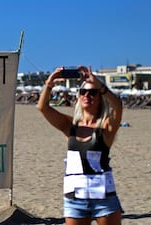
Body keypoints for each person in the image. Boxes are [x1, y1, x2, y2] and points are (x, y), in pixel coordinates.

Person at [37, 66, 123, 225]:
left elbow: (117, 107)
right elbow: (43, 108)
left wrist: (100, 86)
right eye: (83, 92)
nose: (87, 95)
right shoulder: (70, 126)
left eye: (92, 92)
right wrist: (50, 83)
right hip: (75, 199)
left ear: (100, 97)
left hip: (104, 197)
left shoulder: (106, 127)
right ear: (78, 97)